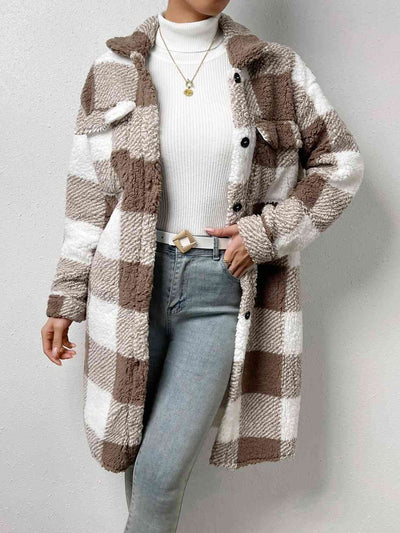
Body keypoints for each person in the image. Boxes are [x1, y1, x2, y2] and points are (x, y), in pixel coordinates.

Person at [41, 1, 364, 531]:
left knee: (160, 473)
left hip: (221, 289)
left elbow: (340, 163)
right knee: (137, 456)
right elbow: (89, 197)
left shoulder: (275, 69)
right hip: (128, 287)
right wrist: (65, 296)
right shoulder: (112, 70)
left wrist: (266, 233)